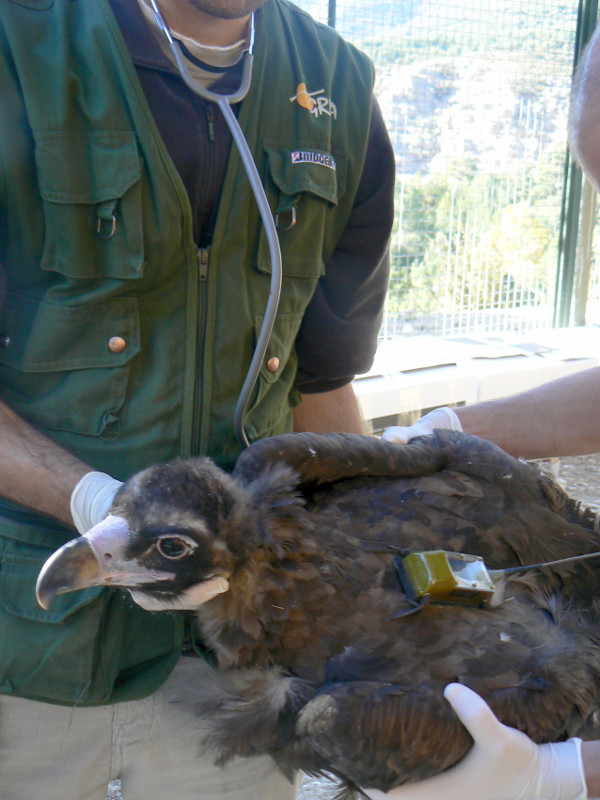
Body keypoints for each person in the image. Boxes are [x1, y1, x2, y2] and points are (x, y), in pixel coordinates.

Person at [0, 0, 394, 797]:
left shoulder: (338, 88)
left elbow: (322, 391)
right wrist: (95, 505)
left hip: (238, 678)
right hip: (28, 655)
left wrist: (367, 590)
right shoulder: (20, 44)